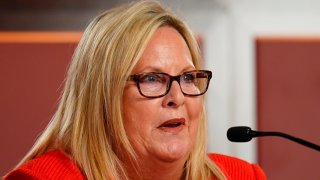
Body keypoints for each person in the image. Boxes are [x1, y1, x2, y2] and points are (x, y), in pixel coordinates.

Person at [4, 0, 266, 179]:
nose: (177, 98)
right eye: (152, 78)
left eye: (187, 77)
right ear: (102, 98)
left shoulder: (240, 176)